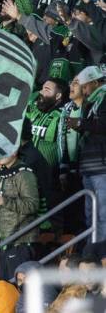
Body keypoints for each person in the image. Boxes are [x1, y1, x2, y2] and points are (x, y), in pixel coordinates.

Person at [0, 153, 39, 280]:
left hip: (21, 241)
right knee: (7, 287)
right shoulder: (1, 173)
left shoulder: (25, 173)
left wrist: (4, 201)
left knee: (19, 288)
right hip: (3, 241)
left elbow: (32, 205)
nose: (0, 153)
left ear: (14, 151)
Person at [68, 66, 106, 240]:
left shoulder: (104, 98)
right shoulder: (91, 102)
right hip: (89, 166)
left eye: (85, 86)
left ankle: (102, 256)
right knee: (90, 215)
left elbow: (102, 125)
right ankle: (93, 251)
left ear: (96, 82)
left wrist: (80, 124)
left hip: (102, 167)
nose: (83, 90)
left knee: (103, 215)